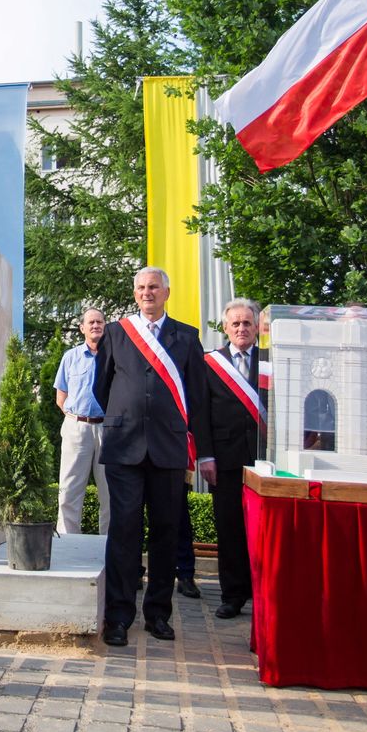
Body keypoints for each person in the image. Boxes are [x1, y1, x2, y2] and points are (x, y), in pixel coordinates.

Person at [92, 267, 211, 647]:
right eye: (142, 287)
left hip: (168, 448)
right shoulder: (116, 332)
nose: (147, 293)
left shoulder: (187, 337)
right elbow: (102, 385)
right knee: (123, 532)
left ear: (167, 292)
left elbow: (197, 397)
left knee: (165, 532)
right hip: (124, 446)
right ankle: (118, 617)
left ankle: (158, 614)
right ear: (135, 291)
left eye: (154, 287)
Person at [202, 298, 266, 619]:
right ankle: (232, 595)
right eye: (235, 323)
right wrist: (205, 456)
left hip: (264, 460)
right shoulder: (210, 363)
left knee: (263, 530)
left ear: (257, 327)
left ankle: (263, 594)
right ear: (225, 327)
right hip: (224, 459)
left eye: (247, 323)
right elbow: (200, 415)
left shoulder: (271, 362)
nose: (241, 328)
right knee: (229, 528)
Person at [53, 308, 109, 537]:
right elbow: (60, 396)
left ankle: (109, 548)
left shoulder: (113, 357)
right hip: (77, 428)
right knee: (69, 491)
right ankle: (67, 544)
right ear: (82, 328)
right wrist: (74, 416)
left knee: (110, 493)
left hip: (107, 429)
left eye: (100, 322)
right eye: (91, 322)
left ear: (105, 327)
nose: (96, 326)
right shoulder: (70, 357)